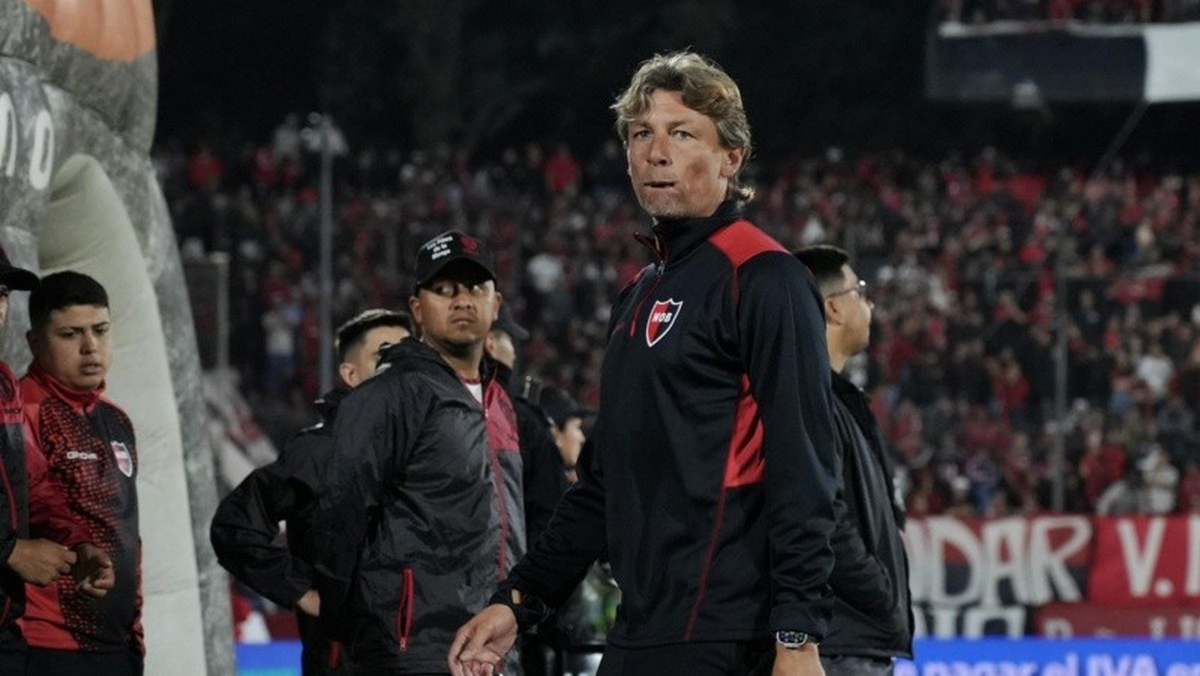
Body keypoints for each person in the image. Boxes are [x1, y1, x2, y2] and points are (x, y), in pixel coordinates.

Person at [450, 51, 838, 676]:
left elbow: (805, 464)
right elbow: (604, 482)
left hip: (731, 633)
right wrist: (518, 602)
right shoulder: (639, 294)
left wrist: (797, 636)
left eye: (682, 133)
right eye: (641, 134)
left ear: (731, 157)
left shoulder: (767, 279)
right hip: (643, 629)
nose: (656, 152)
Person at [311, 231, 525, 675]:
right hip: (415, 651)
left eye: (474, 288)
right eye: (444, 290)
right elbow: (337, 516)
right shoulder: (387, 397)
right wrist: (364, 631)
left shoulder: (499, 403)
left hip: (495, 650)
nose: (462, 300)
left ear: (496, 304)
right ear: (416, 310)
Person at [210, 308, 413, 675]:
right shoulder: (317, 453)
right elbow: (234, 526)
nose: (399, 366)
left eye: (409, 354)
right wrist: (302, 592)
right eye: (384, 354)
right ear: (350, 375)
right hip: (344, 661)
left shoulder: (436, 451)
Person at [794, 245, 913, 675]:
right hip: (839, 646)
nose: (870, 303)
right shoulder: (812, 400)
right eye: (859, 291)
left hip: (850, 643)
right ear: (833, 309)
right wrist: (880, 593)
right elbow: (823, 517)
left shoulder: (836, 400)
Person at [19, 271, 138, 675]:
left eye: (100, 330)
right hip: (46, 642)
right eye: (70, 334)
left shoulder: (116, 420)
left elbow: (124, 530)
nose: (91, 347)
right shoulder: (18, 413)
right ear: (34, 342)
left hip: (118, 643)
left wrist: (135, 630)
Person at [0, 256, 114, 674]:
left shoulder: (3, 386)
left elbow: (33, 485)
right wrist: (9, 550)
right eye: (71, 333)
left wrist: (79, 543)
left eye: (2, 295)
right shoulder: (27, 399)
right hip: (43, 640)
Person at [484, 306, 569, 676]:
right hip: (513, 608)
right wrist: (533, 605)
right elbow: (548, 516)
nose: (514, 352)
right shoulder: (522, 420)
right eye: (507, 341)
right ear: (489, 342)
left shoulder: (424, 404)